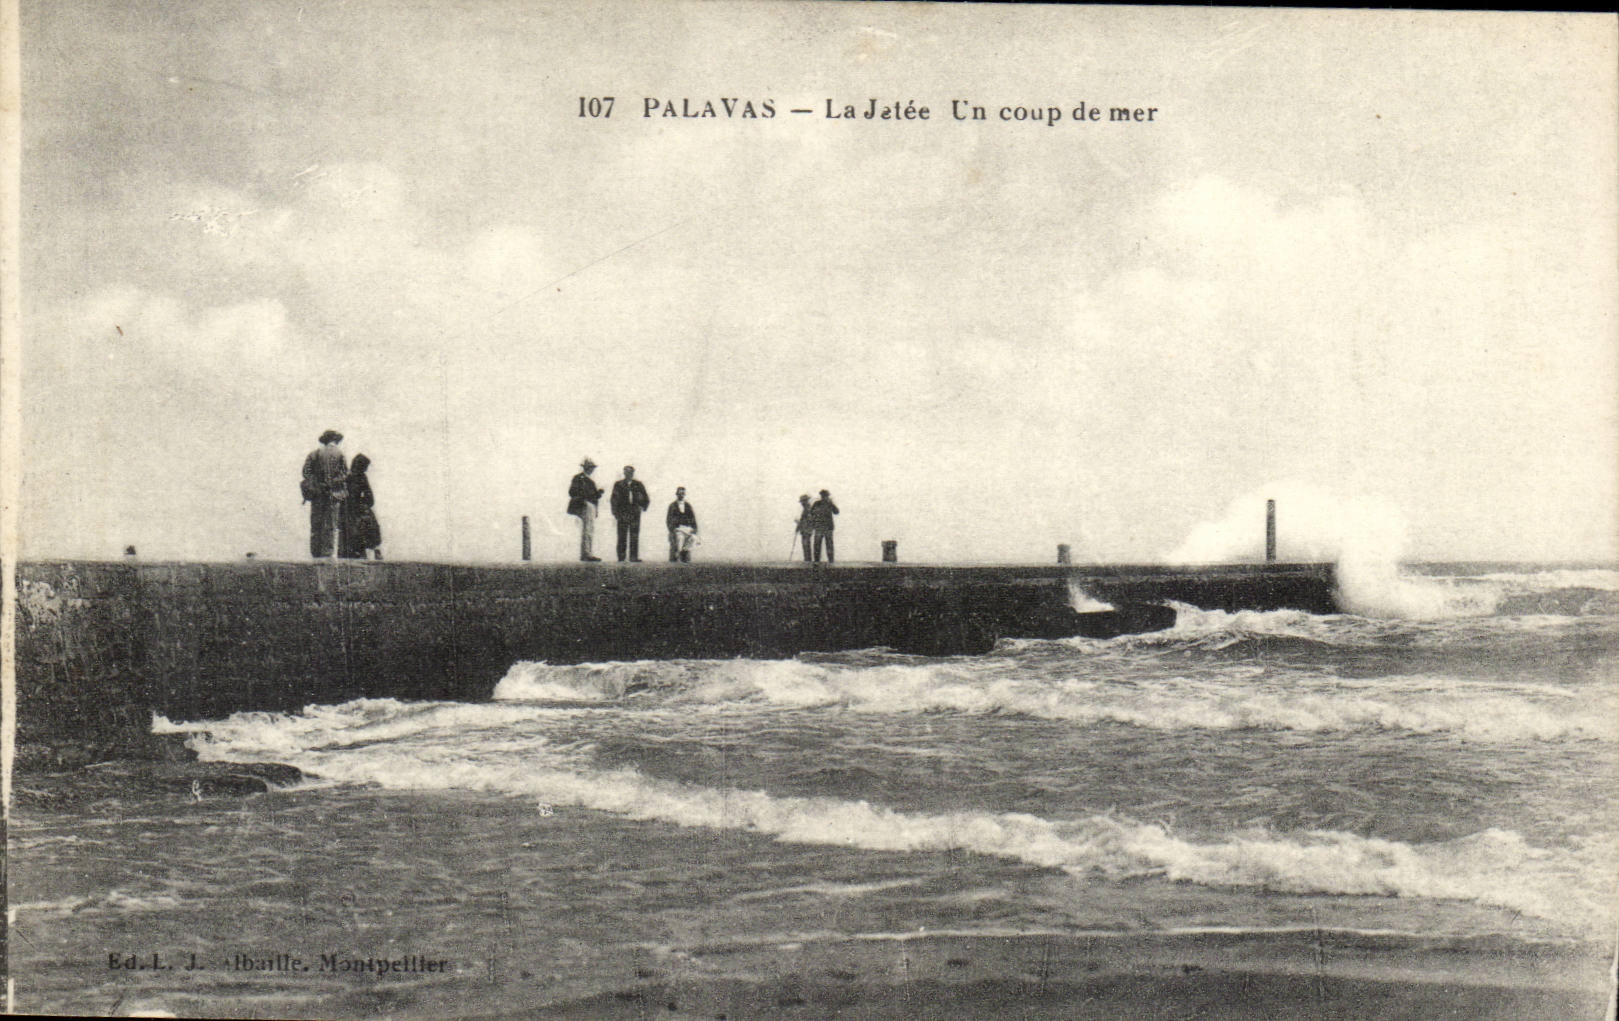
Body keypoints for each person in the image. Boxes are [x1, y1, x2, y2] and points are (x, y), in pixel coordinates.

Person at [301, 430, 348, 558]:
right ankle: (328, 554)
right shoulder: (340, 454)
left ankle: (315, 554)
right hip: (334, 495)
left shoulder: (314, 454)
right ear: (335, 440)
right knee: (331, 526)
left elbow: (306, 473)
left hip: (318, 495)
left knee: (316, 525)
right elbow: (344, 474)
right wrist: (333, 482)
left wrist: (317, 484)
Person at [339, 454, 383, 560]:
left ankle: (357, 551)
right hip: (360, 508)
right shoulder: (362, 477)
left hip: (347, 510)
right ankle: (375, 550)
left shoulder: (346, 476)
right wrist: (364, 503)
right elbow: (370, 498)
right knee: (370, 527)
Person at [609, 465, 651, 562]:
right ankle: (621, 557)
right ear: (624, 473)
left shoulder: (638, 484)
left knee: (634, 535)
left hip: (635, 513)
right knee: (622, 535)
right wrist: (615, 513)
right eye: (626, 472)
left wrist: (643, 507)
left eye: (630, 472)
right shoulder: (618, 484)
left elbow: (646, 497)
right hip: (623, 513)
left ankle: (633, 557)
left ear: (633, 473)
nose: (628, 474)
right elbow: (614, 499)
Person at [567, 458, 604, 561]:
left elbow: (594, 496)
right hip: (584, 505)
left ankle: (587, 552)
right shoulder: (579, 478)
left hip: (590, 506)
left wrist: (599, 493)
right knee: (587, 529)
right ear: (585, 468)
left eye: (592, 467)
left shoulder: (590, 481)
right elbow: (572, 492)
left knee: (589, 529)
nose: (591, 469)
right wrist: (582, 499)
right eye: (590, 467)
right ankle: (586, 553)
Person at [666, 486, 698, 562]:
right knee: (679, 540)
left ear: (684, 494)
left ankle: (684, 551)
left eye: (683, 493)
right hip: (678, 529)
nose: (681, 495)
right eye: (679, 493)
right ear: (676, 494)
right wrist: (672, 529)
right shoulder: (672, 506)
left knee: (693, 538)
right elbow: (668, 519)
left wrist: (695, 529)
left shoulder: (688, 506)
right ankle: (678, 555)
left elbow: (693, 518)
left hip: (687, 528)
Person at [809, 489, 839, 564]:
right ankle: (817, 561)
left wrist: (832, 504)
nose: (825, 497)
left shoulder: (829, 504)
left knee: (829, 545)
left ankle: (831, 561)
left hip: (828, 527)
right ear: (821, 496)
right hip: (820, 527)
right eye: (824, 496)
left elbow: (836, 512)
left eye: (826, 496)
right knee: (817, 545)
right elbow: (811, 513)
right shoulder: (816, 503)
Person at [793, 494, 813, 562]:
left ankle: (807, 560)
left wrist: (798, 523)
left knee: (806, 544)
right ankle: (807, 560)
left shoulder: (808, 509)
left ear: (805, 501)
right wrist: (798, 526)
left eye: (802, 501)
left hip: (806, 530)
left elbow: (808, 520)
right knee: (806, 545)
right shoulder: (806, 509)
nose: (801, 503)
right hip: (805, 530)